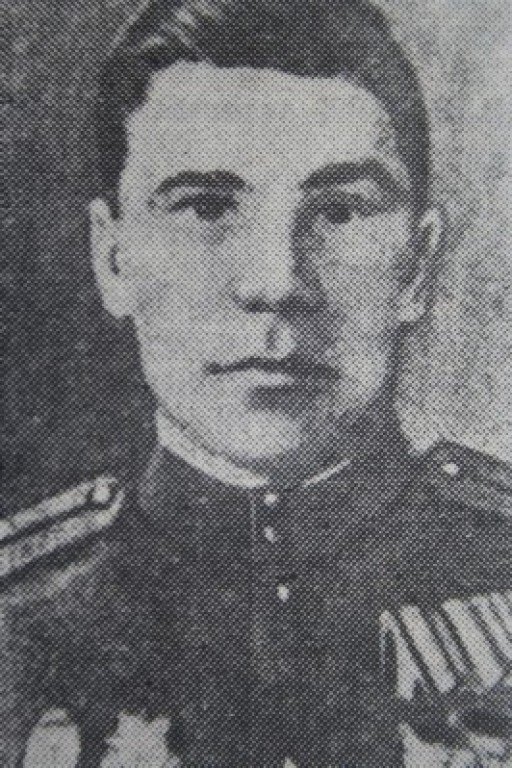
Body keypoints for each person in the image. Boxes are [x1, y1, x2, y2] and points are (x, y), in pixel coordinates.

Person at [2, 0, 512, 765]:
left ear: (416, 266)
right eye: (206, 207)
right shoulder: (20, 624)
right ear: (113, 259)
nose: (276, 282)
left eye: (340, 212)